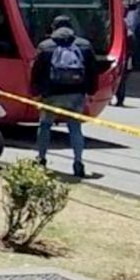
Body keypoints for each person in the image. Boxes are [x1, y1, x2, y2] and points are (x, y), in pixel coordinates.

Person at [31, 15, 99, 178]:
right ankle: (78, 162)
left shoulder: (45, 46)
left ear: (54, 28)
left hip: (51, 94)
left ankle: (41, 159)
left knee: (45, 125)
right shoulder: (84, 45)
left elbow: (36, 72)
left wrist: (36, 93)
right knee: (75, 127)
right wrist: (90, 92)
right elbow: (92, 70)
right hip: (76, 94)